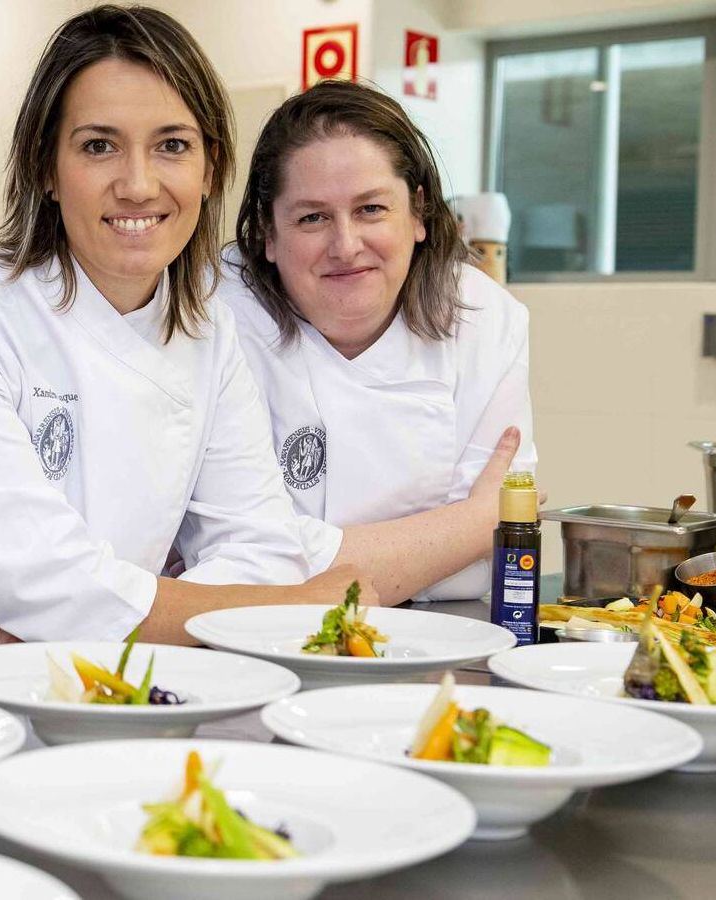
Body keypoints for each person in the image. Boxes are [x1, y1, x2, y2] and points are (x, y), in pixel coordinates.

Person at [0, 5, 373, 684]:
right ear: (46, 168)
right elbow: (39, 577)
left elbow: (260, 547)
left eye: (171, 145)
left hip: (71, 686)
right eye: (98, 145)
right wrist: (276, 608)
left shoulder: (206, 333)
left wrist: (83, 624)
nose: (138, 184)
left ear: (209, 168)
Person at [221, 80, 535, 605]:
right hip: (250, 644)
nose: (345, 246)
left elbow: (491, 558)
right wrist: (470, 526)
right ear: (268, 235)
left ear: (417, 213)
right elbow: (235, 568)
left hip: (442, 636)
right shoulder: (215, 315)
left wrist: (483, 532)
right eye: (312, 217)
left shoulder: (484, 319)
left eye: (371, 209)